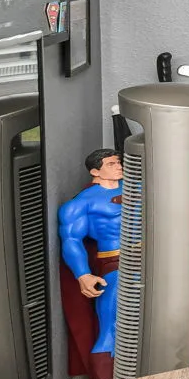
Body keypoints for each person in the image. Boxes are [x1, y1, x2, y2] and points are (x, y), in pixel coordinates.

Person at [59, 147, 126, 367]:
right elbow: (71, 240)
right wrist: (83, 275)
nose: (118, 167)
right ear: (95, 171)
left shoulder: (138, 188)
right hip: (116, 261)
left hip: (153, 256)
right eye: (111, 164)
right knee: (112, 323)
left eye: (119, 162)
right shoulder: (82, 203)